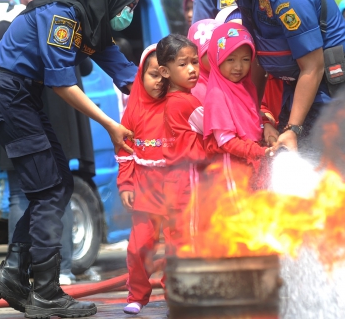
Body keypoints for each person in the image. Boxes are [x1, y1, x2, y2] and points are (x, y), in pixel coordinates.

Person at [0, 0, 147, 318]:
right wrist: (111, 125)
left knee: (57, 184)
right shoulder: (61, 17)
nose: (128, 11)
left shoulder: (90, 27)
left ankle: (14, 275)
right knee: (48, 189)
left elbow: (130, 75)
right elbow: (62, 83)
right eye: (127, 2)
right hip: (6, 96)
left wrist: (170, 89)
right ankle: (47, 291)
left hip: (20, 98)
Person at [0, 0, 81, 287]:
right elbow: (79, 63)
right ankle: (57, 270)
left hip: (16, 113)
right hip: (48, 112)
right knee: (57, 188)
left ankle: (21, 272)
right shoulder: (60, 14)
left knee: (26, 194)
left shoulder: (14, 20)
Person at [201, 0, 345, 154]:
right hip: (296, 90)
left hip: (332, 92)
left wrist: (293, 129)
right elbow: (256, 57)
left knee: (329, 173)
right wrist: (254, 115)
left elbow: (313, 67)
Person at [116, 44, 167, 315]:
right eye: (152, 74)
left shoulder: (181, 104)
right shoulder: (133, 110)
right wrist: (125, 184)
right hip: (145, 190)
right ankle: (136, 294)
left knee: (178, 247)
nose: (159, 81)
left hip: (177, 190)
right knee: (139, 246)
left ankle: (176, 294)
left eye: (164, 75)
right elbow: (125, 152)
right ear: (140, 75)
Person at [203, 22, 271, 185]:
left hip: (250, 163)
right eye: (230, 59)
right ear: (216, 58)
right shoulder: (217, 95)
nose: (238, 67)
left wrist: (266, 126)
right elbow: (226, 141)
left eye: (246, 59)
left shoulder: (246, 87)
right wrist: (261, 151)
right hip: (232, 172)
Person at [158, 34, 205, 253]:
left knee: (179, 235)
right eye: (183, 64)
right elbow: (213, 129)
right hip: (189, 177)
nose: (192, 69)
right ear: (165, 71)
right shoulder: (186, 102)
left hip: (175, 178)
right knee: (194, 233)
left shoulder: (172, 100)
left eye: (195, 62)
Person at [187, 18, 222, 103]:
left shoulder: (232, 79)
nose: (218, 55)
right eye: (210, 51)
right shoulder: (193, 90)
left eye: (221, 50)